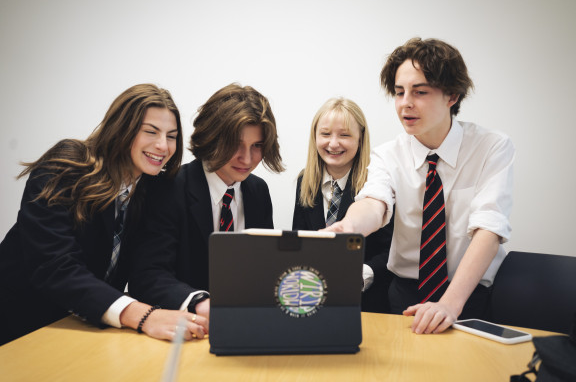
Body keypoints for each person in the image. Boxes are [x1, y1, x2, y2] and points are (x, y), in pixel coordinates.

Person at [325, 38, 514, 334]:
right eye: (399, 93)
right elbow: (375, 202)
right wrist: (347, 227)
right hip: (405, 294)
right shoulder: (389, 154)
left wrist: (450, 304)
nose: (405, 103)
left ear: (452, 95)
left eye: (420, 92)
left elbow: (489, 229)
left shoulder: (491, 147)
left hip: (467, 295)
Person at [0, 84, 209, 346]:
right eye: (150, 132)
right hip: (18, 324)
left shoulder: (152, 190)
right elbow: (55, 267)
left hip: (80, 328)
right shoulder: (66, 166)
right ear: (122, 128)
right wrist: (143, 316)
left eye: (171, 136)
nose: (162, 145)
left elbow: (150, 268)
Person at [129, 83, 284, 314]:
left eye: (257, 146)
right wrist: (200, 303)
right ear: (211, 137)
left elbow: (262, 269)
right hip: (184, 326)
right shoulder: (167, 187)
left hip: (244, 323)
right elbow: (148, 276)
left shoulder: (258, 191)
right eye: (236, 144)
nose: (247, 158)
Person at [292, 97, 393, 313]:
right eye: (326, 134)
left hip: (368, 301)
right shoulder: (305, 180)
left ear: (360, 139)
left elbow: (392, 250)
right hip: (315, 299)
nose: (333, 143)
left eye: (345, 135)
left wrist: (362, 274)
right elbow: (299, 241)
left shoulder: (378, 183)